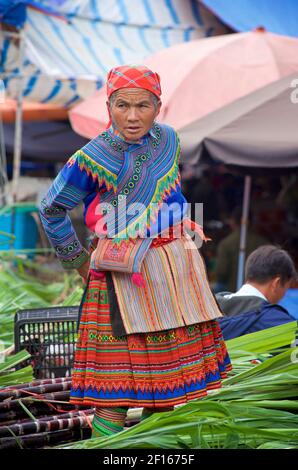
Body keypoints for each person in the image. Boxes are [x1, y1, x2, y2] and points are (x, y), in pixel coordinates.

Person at [39, 64, 232, 439]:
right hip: (121, 276)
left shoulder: (170, 140)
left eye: (142, 105)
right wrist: (79, 263)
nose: (132, 116)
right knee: (115, 392)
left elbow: (172, 198)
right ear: (108, 106)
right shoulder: (91, 158)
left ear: (158, 106)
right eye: (122, 105)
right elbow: (52, 209)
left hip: (173, 270)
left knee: (164, 388)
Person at [216, 245, 297, 340]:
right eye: (286, 288)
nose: (284, 294)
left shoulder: (209, 308)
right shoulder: (277, 322)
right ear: (276, 283)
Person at [214, 206, 268, 292]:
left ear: (233, 221)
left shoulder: (226, 244)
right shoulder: (263, 243)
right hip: (258, 293)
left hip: (233, 291)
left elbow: (221, 273)